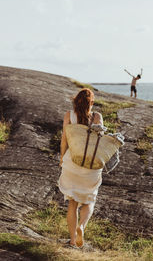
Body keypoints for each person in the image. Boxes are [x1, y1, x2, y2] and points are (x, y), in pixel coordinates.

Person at [58, 88, 103, 248]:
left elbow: (64, 139)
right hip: (90, 166)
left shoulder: (69, 115)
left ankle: (72, 240)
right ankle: (81, 227)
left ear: (76, 100)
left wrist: (62, 158)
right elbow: (100, 142)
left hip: (72, 163)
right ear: (91, 102)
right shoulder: (97, 117)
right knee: (90, 199)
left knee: (72, 202)